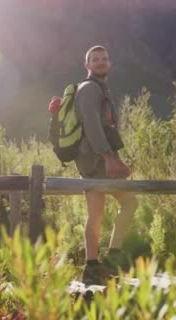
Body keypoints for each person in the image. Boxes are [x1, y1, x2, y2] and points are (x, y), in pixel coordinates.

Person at [61, 45, 138, 285]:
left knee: (96, 212)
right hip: (96, 160)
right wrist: (108, 158)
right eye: (95, 59)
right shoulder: (89, 89)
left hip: (93, 159)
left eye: (104, 58)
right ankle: (111, 259)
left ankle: (92, 267)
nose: (101, 62)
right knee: (129, 202)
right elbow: (93, 126)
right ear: (88, 65)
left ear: (110, 63)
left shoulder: (97, 89)